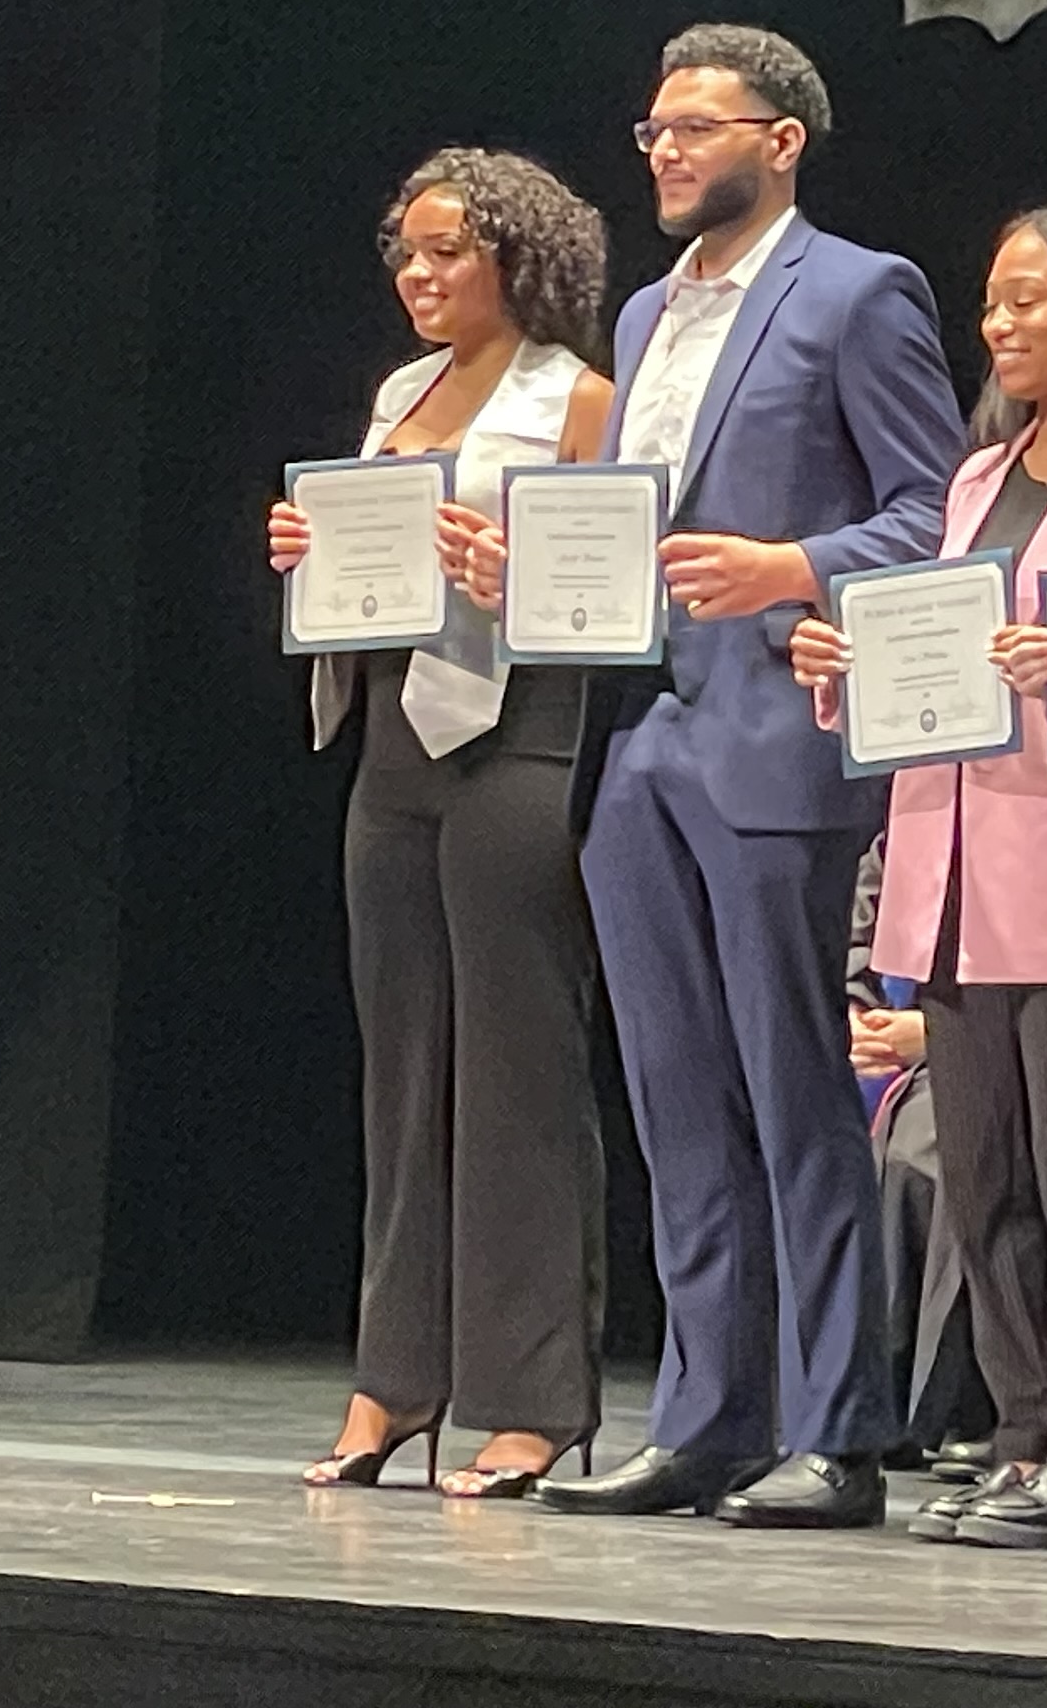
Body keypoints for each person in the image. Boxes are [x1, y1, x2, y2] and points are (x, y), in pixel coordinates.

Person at [534, 26, 966, 1530]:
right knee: (675, 1100)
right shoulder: (646, 311)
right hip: (639, 733)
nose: (661, 150)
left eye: (693, 128)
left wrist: (793, 566)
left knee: (797, 1095)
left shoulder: (858, 294)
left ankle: (837, 1430)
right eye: (651, 128)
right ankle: (709, 1413)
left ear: (780, 140)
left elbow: (934, 514)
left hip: (775, 737)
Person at [788, 201, 1047, 1550]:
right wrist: (852, 680)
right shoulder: (971, 480)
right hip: (949, 871)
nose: (1002, 324)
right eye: (995, 303)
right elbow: (939, 677)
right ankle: (1019, 1439)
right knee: (986, 1180)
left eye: (1031, 299)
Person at [274, 150, 616, 1497]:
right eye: (404, 255)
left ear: (515, 261)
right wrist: (309, 557)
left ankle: (533, 1400)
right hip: (395, 743)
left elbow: (606, 586)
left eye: (446, 253)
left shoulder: (575, 397)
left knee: (518, 1074)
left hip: (517, 734)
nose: (419, 277)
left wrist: (519, 569)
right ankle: (393, 1381)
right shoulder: (398, 396)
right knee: (403, 1070)